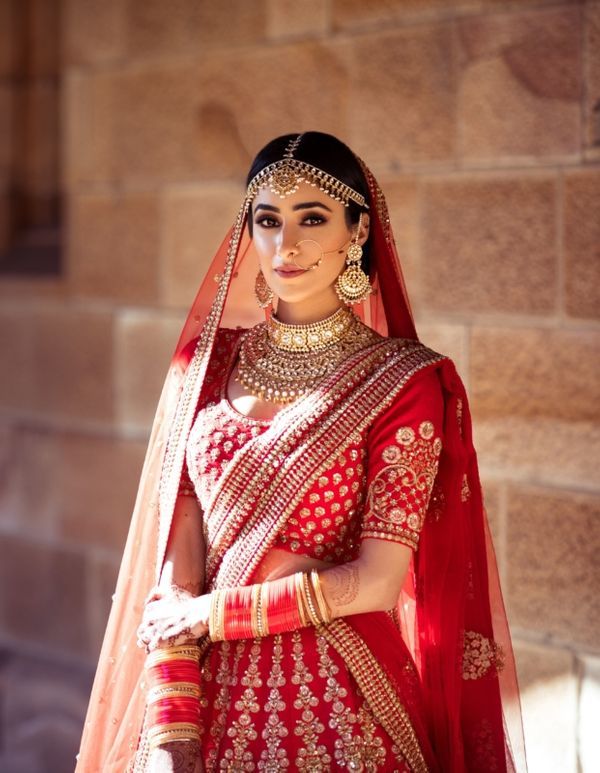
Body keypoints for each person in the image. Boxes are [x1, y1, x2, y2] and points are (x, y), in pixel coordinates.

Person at [75, 132, 526, 772]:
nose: (286, 245)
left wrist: (214, 615)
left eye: (312, 218)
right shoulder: (201, 368)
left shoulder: (404, 382)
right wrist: (174, 730)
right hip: (208, 700)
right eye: (268, 220)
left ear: (357, 230)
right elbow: (175, 575)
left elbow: (377, 582)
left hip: (346, 705)